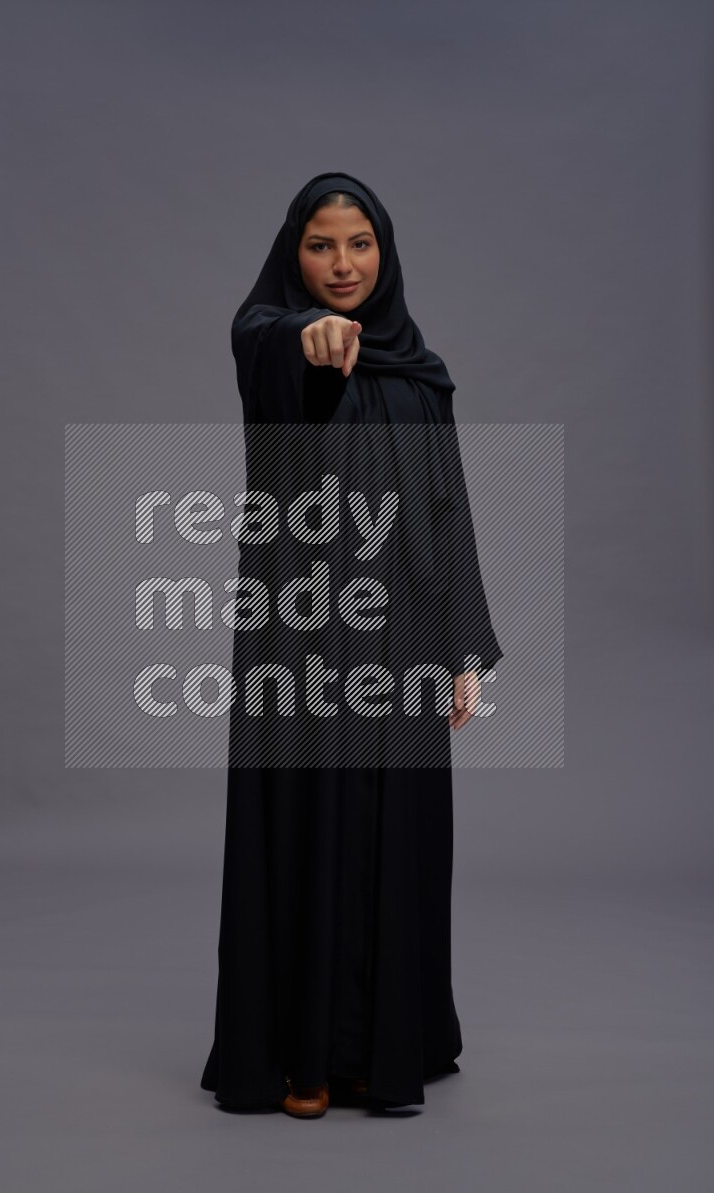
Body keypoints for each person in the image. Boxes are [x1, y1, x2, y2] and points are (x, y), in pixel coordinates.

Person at [200, 171, 503, 1116]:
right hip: (304, 641)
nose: (342, 265)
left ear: (386, 251)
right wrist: (306, 339)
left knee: (397, 837)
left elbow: (449, 510)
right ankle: (305, 1057)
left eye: (359, 244)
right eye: (321, 246)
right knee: (307, 826)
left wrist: (463, 650)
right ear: (295, 255)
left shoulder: (420, 374)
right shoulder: (272, 341)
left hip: (405, 640)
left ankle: (385, 1045)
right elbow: (268, 348)